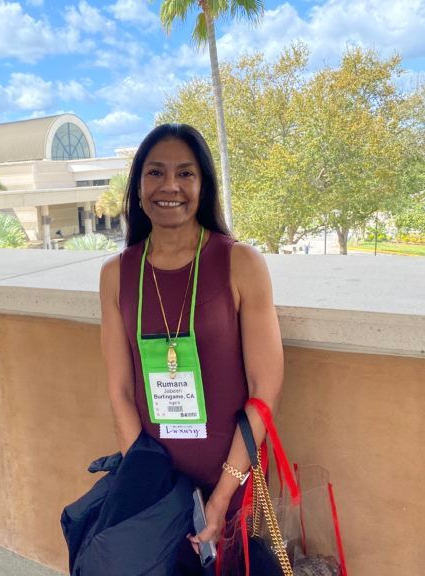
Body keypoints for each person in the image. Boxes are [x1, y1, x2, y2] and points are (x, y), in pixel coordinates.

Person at [98, 123, 284, 575]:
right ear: (138, 187)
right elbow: (121, 389)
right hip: (157, 485)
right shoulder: (116, 274)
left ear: (203, 185)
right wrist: (147, 483)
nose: (170, 187)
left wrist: (221, 497)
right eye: (155, 173)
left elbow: (265, 388)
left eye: (185, 173)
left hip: (234, 476)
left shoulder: (240, 263)